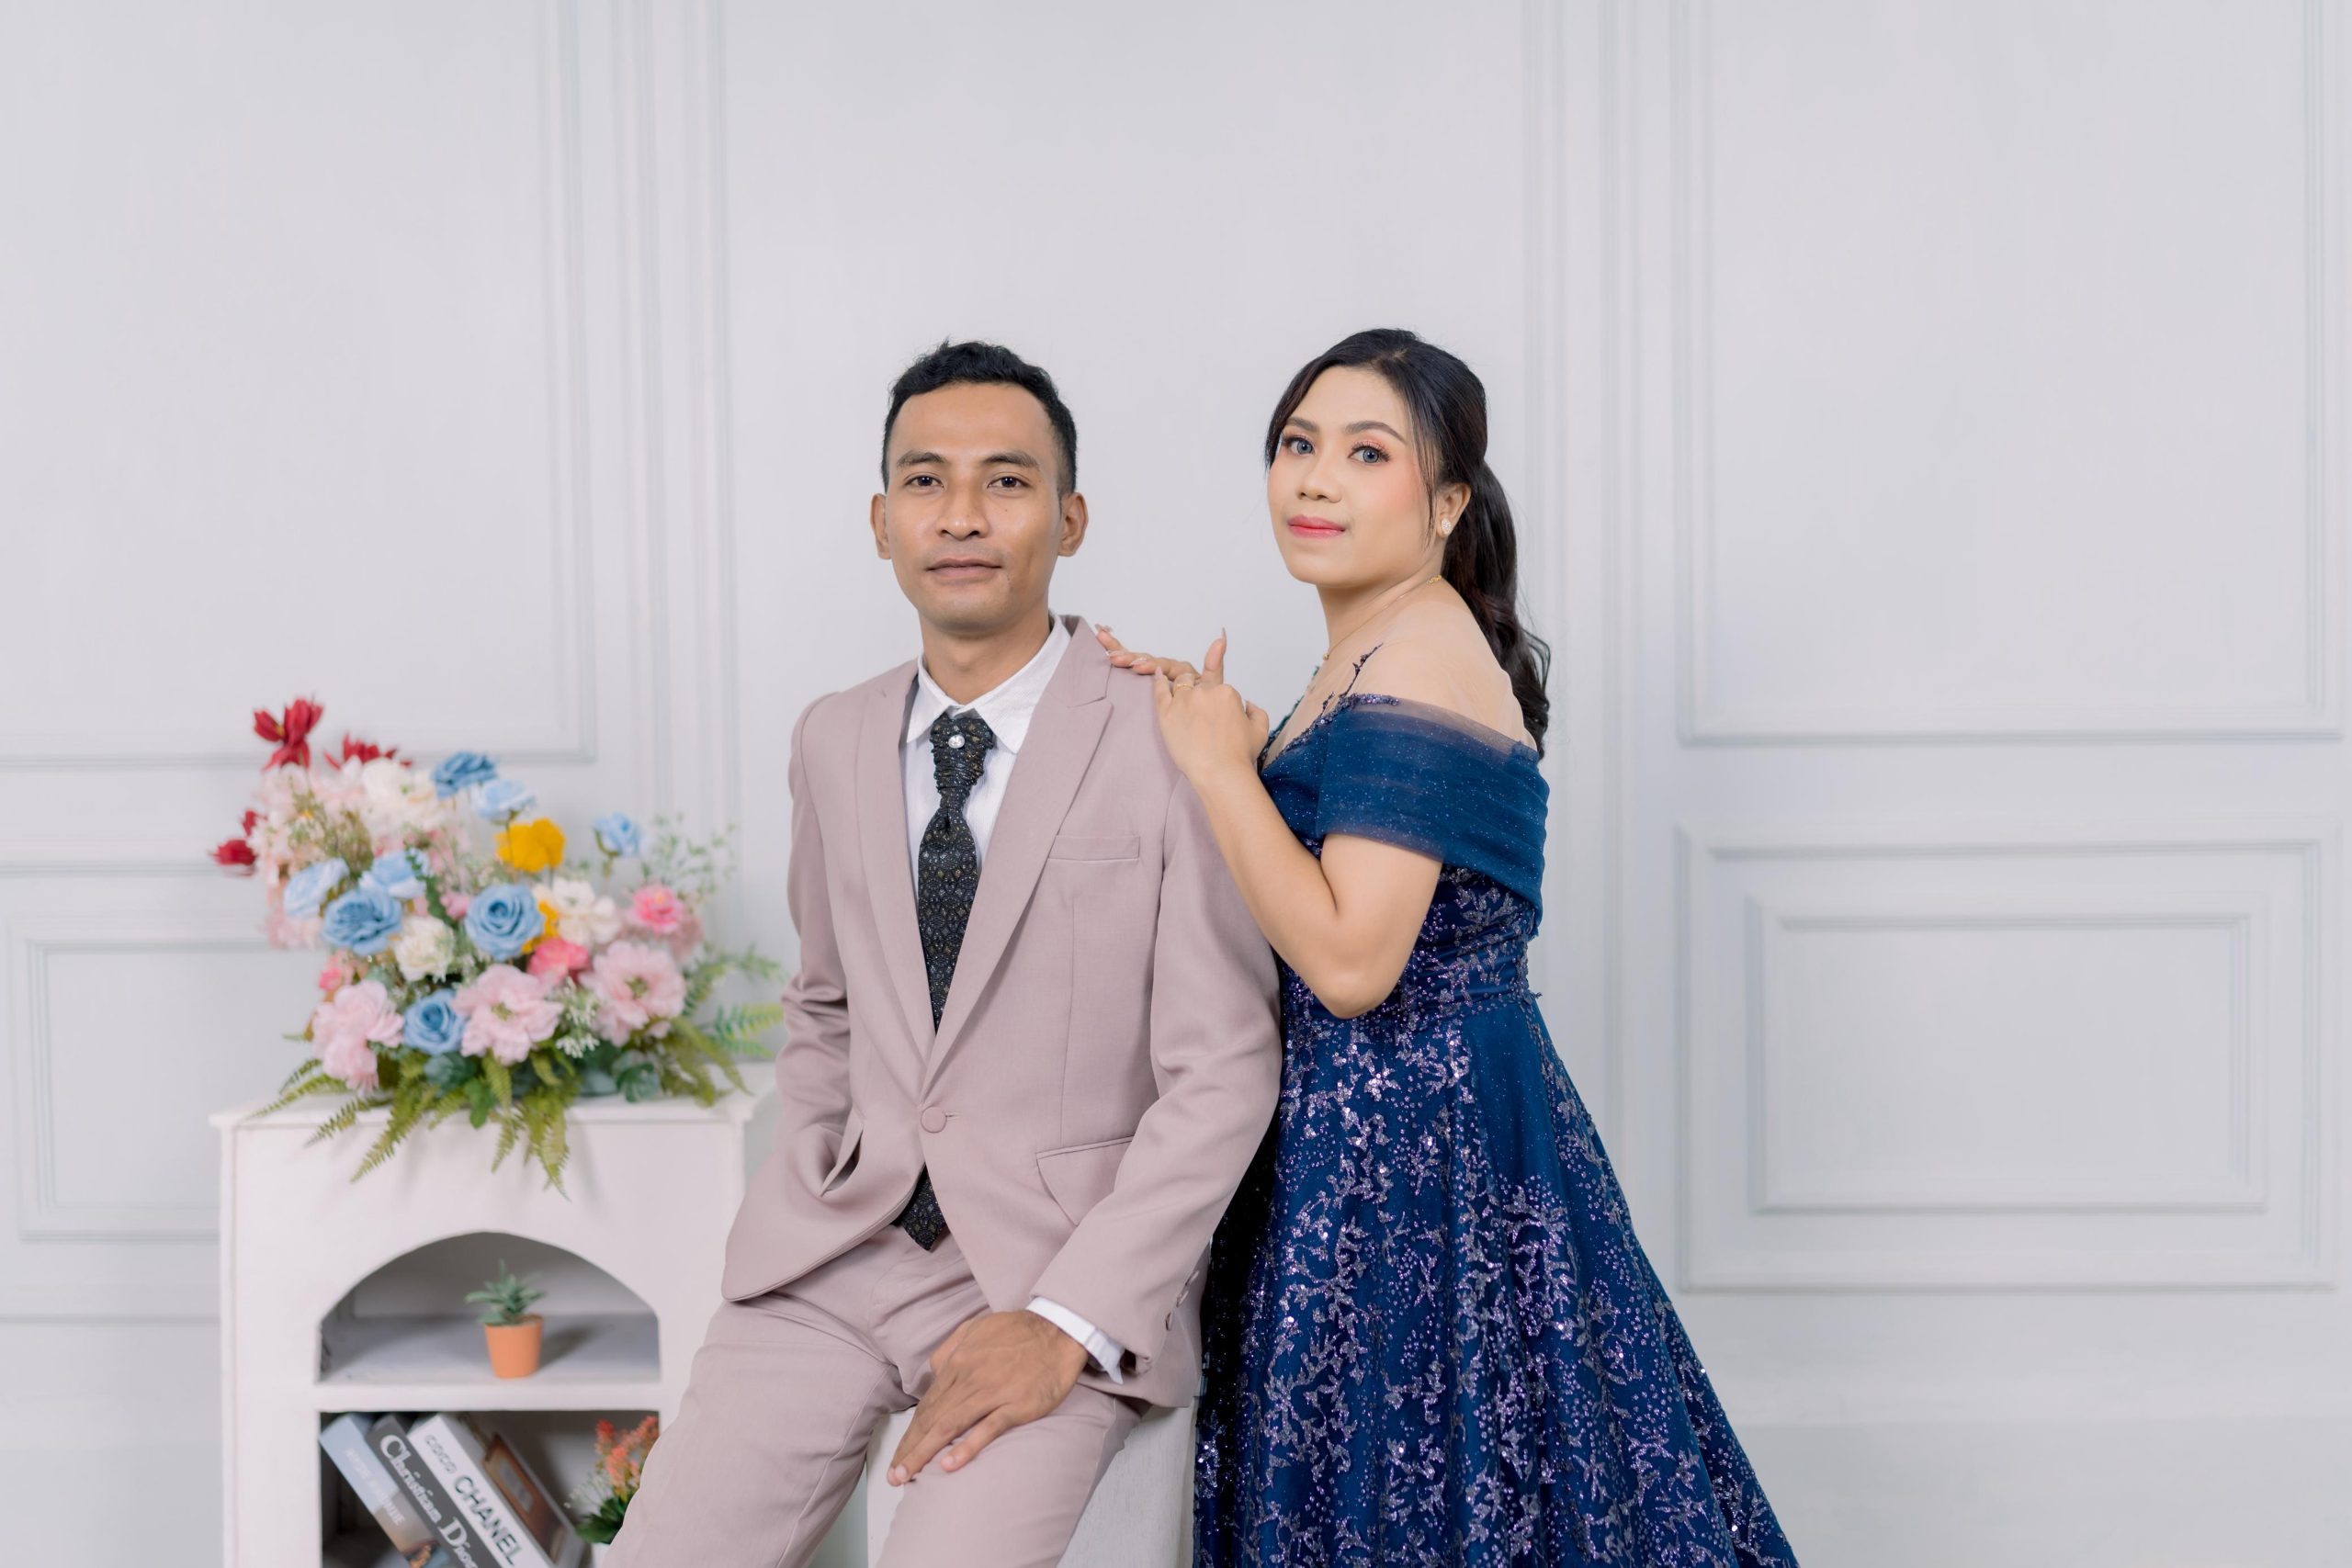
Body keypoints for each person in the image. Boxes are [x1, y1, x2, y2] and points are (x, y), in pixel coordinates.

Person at [1097, 328, 1798, 1565]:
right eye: (1298, 445)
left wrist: (1221, 773)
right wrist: (1235, 745)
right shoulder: (1380, 641)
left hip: (1411, 1159)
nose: (1316, 479)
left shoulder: (1417, 653)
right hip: (1397, 1139)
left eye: (1367, 453)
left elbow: (1351, 965)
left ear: (1447, 501)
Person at [607, 340, 1283, 1568]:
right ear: (881, 521)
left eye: (1007, 481)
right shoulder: (831, 737)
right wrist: (814, 1166)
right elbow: (825, 1003)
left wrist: (1069, 1319)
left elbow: (1226, 1069)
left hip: (1045, 1272)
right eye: (925, 481)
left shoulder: (1170, 735)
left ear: (1070, 518)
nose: (961, 515)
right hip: (835, 1255)